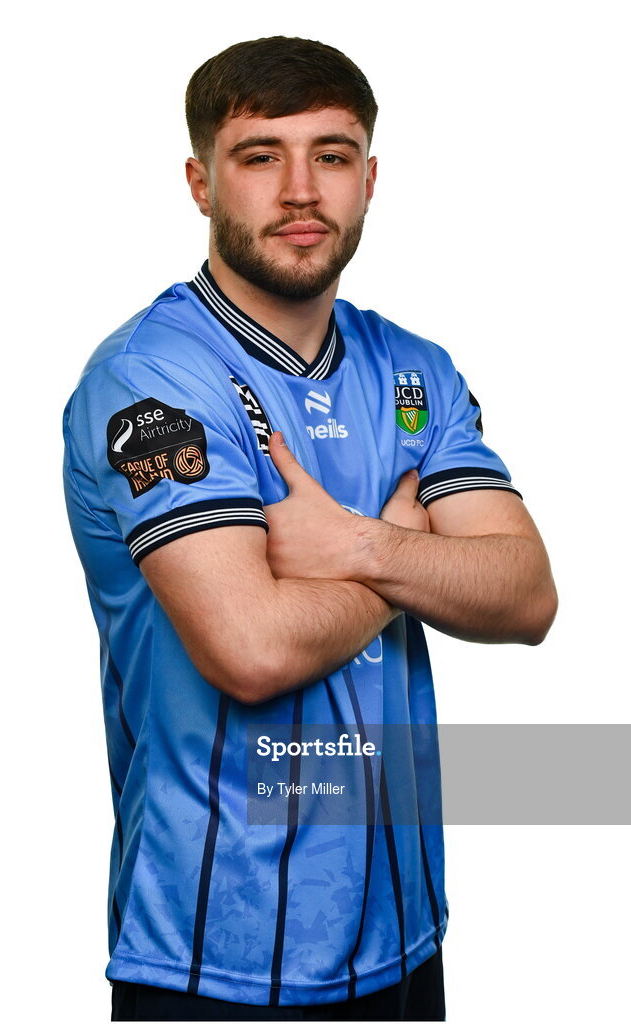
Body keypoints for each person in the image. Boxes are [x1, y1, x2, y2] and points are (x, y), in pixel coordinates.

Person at [63, 35, 557, 1022]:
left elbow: (526, 595)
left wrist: (359, 545)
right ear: (200, 182)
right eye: (260, 156)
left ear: (368, 179)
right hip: (216, 958)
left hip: (404, 938)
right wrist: (416, 556)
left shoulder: (411, 370)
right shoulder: (154, 381)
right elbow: (248, 649)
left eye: (329, 156)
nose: (300, 189)